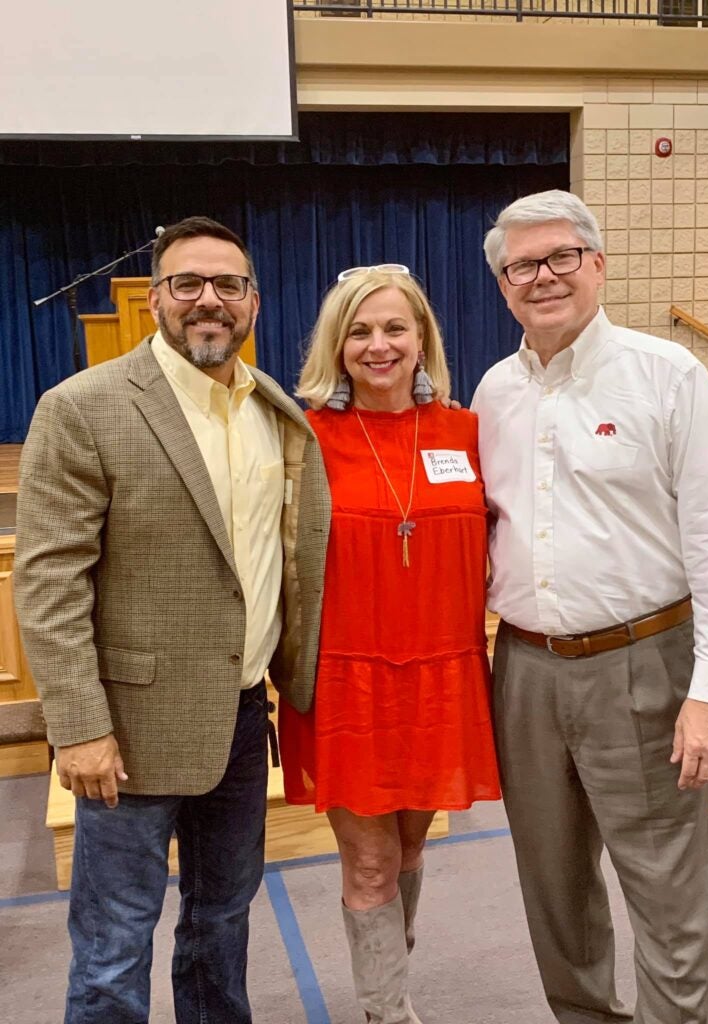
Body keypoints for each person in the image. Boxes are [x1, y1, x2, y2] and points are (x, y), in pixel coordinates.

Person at [13, 216, 330, 1024]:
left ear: (253, 302)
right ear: (155, 298)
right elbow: (50, 584)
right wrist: (79, 726)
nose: (208, 301)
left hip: (238, 717)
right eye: (187, 284)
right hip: (128, 730)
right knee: (116, 940)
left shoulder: (274, 411)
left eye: (227, 285)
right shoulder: (83, 406)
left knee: (222, 922)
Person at [472, 189, 708, 1024]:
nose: (543, 277)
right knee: (553, 892)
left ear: (597, 265)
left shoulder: (668, 377)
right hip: (523, 668)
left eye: (561, 257)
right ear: (502, 284)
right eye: (522, 265)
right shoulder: (492, 394)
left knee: (666, 891)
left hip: (646, 666)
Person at [278, 265, 500, 1024]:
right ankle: (384, 1011)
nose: (379, 345)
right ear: (337, 348)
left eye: (394, 328)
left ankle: (389, 986)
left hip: (442, 677)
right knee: (369, 859)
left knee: (408, 852)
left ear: (422, 339)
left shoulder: (467, 431)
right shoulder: (305, 438)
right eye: (360, 332)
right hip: (349, 682)